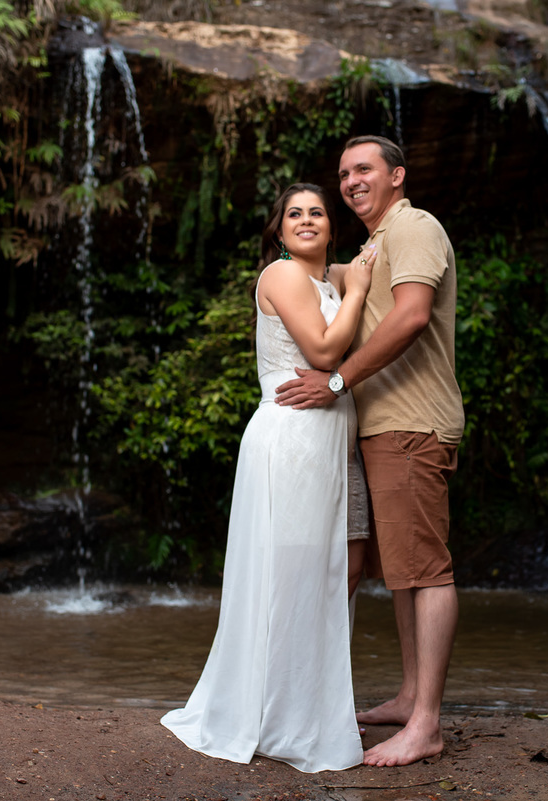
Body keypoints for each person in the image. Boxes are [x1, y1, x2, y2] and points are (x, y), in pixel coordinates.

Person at [160, 184, 377, 773]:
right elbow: (324, 353)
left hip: (337, 441)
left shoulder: (329, 279)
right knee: (298, 572)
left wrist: (356, 271)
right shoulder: (282, 276)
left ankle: (311, 700)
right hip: (295, 439)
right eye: (294, 214)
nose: (306, 220)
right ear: (278, 230)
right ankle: (279, 712)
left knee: (348, 565)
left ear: (331, 226)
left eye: (317, 213)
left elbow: (360, 264)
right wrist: (358, 290)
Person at [275, 136, 464, 768]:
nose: (352, 181)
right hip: (383, 428)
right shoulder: (372, 245)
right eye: (344, 174)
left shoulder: (414, 227)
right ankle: (411, 697)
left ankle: (427, 724)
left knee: (426, 570)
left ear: (397, 175)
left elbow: (412, 316)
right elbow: (316, 281)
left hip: (411, 424)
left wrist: (336, 381)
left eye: (365, 169)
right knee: (403, 571)